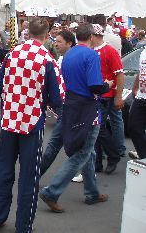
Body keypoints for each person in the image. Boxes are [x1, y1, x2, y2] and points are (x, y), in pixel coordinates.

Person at [0, 18, 65, 232]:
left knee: (3, 169)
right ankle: (23, 226)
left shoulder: (12, 54)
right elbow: (58, 98)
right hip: (31, 123)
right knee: (28, 175)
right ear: (47, 33)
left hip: (9, 120)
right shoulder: (46, 58)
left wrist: (13, 100)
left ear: (28, 32)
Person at [40, 23, 111, 214]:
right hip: (86, 107)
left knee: (87, 152)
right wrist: (107, 85)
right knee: (83, 152)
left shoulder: (68, 55)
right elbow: (95, 84)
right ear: (91, 37)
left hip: (71, 104)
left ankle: (92, 192)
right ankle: (52, 191)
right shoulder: (90, 55)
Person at [40, 30, 75, 176]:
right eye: (55, 40)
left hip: (71, 106)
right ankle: (92, 189)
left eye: (59, 41)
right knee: (84, 148)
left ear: (69, 43)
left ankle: (37, 177)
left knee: (56, 144)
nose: (56, 44)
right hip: (65, 106)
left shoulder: (73, 59)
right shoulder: (59, 59)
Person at [91, 24, 124, 168]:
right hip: (97, 95)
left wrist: (118, 96)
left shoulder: (109, 51)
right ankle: (99, 161)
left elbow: (119, 74)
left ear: (93, 36)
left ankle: (113, 155)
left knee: (99, 129)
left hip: (106, 96)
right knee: (98, 129)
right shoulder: (91, 50)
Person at [128, 47, 146, 158]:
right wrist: (135, 88)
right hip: (141, 97)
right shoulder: (144, 52)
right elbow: (142, 71)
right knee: (134, 127)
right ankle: (143, 155)